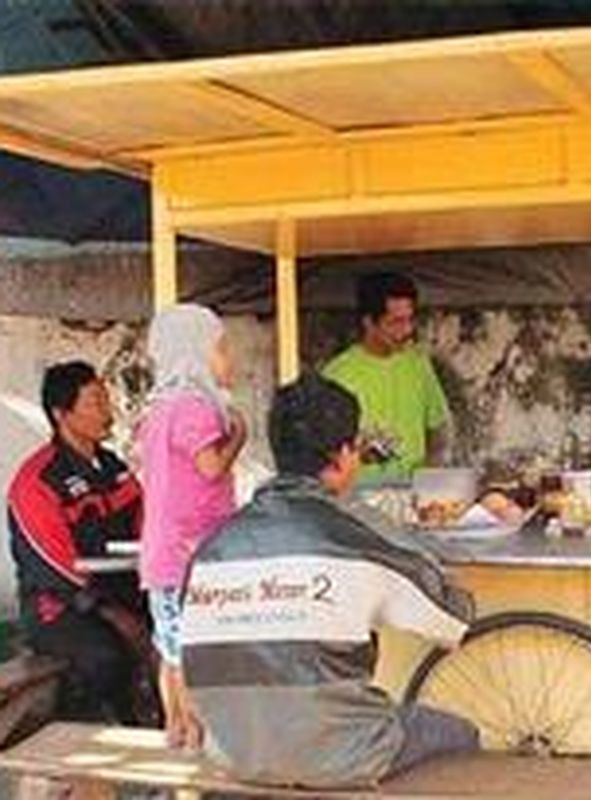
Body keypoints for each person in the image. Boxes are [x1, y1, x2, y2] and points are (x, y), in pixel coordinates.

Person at [180, 374, 478, 789]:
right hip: (340, 754)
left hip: (233, 754)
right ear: (342, 455)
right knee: (462, 735)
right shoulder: (355, 534)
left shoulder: (212, 549)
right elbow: (452, 620)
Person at [7, 361, 149, 723]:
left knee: (175, 640)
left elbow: (145, 525)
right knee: (106, 657)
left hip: (122, 593)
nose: (108, 410)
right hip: (60, 608)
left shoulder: (113, 467)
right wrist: (112, 613)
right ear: (61, 414)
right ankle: (79, 734)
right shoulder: (36, 481)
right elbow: (53, 568)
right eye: (95, 401)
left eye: (106, 400)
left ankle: (155, 730)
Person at [137, 304, 246, 749]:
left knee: (170, 648)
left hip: (165, 554)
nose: (228, 360)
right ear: (195, 354)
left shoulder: (158, 410)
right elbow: (210, 466)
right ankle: (198, 733)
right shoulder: (195, 408)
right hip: (190, 554)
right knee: (193, 651)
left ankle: (176, 728)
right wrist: (238, 435)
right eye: (221, 349)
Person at [323, 273, 449, 481]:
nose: (407, 330)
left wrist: (427, 479)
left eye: (410, 319)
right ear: (369, 322)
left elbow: (437, 431)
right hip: (358, 498)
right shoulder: (337, 374)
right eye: (396, 322)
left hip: (413, 496)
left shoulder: (418, 364)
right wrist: (361, 455)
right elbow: (324, 451)